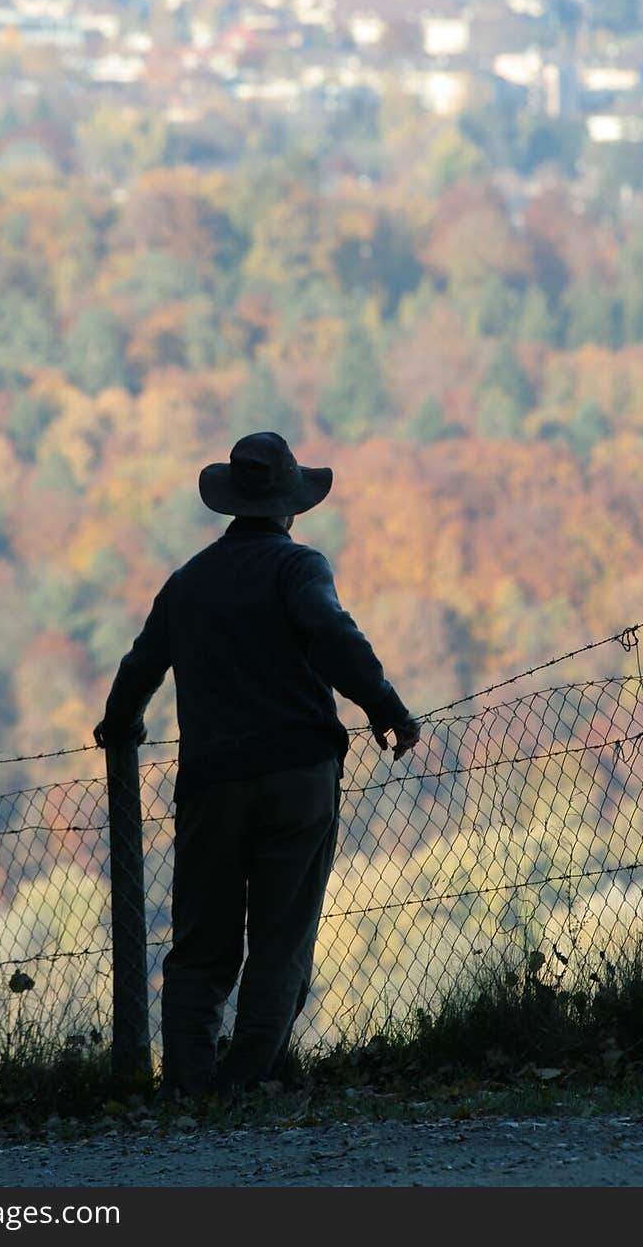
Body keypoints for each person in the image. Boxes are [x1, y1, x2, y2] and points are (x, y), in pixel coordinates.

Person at [93, 431, 421, 1099]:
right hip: (299, 778)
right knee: (281, 944)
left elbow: (138, 669)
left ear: (231, 504)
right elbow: (330, 633)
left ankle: (188, 1092)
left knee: (202, 948)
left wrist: (120, 725)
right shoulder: (298, 568)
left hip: (212, 786)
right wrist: (384, 705)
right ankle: (244, 1090)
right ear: (289, 506)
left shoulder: (187, 585)